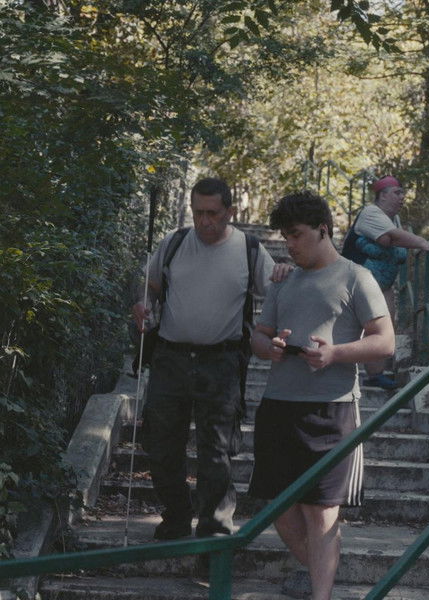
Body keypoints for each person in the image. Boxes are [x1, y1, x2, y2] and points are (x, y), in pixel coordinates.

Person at [249, 191, 395, 600]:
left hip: (333, 410)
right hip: (278, 407)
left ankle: (321, 594)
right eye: (285, 237)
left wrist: (335, 353)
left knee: (322, 513)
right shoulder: (283, 280)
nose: (289, 245)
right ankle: (320, 577)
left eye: (295, 235)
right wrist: (270, 347)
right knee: (278, 510)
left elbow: (385, 342)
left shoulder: (356, 277)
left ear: (323, 230)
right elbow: (258, 336)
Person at [132, 177, 290, 540]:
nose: (205, 221)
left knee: (217, 452)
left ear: (229, 212)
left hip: (221, 362)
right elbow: (149, 286)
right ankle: (176, 515)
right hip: (169, 358)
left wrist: (285, 274)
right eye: (198, 212)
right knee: (160, 445)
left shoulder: (248, 249)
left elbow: (279, 293)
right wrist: (142, 303)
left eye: (213, 213)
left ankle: (214, 532)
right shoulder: (174, 243)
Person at [342, 175, 429, 390]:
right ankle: (338, 371)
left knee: (384, 327)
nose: (402, 197)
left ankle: (375, 375)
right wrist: (423, 243)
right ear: (382, 195)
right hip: (357, 282)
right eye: (397, 192)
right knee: (352, 328)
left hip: (382, 284)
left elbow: (394, 242)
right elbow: (393, 238)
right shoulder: (371, 213)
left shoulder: (393, 219)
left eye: (402, 193)